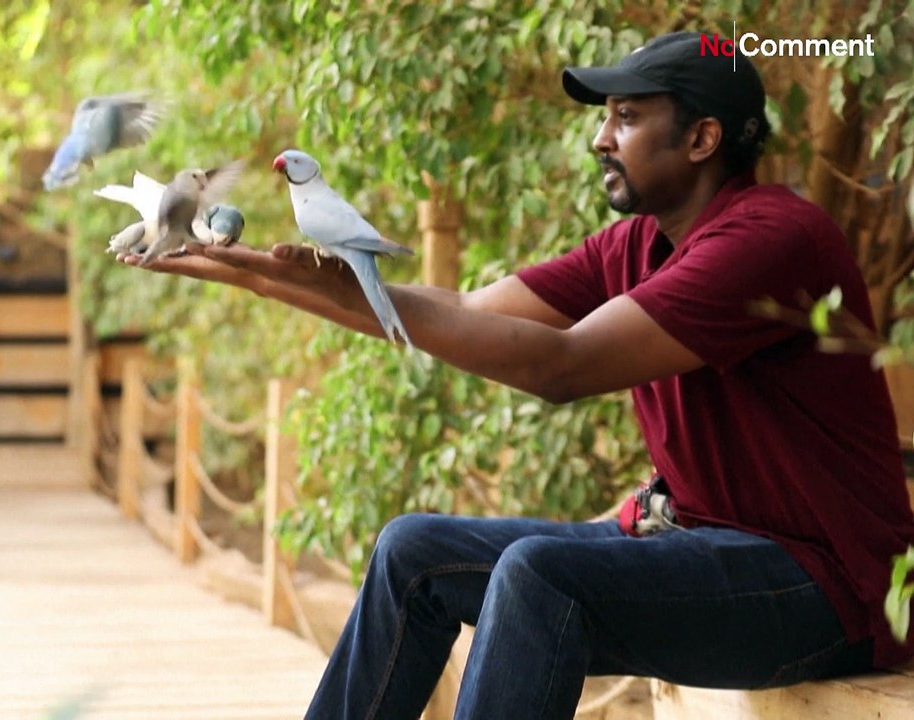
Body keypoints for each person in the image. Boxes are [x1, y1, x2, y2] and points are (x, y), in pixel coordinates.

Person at [120, 31, 914, 719]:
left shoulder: (767, 239)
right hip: (708, 555)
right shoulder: (637, 245)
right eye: (606, 118)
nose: (602, 138)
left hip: (821, 591)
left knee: (541, 576)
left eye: (627, 118)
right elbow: (467, 307)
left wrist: (312, 281)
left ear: (703, 138)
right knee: (413, 552)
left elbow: (559, 366)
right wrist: (263, 274)